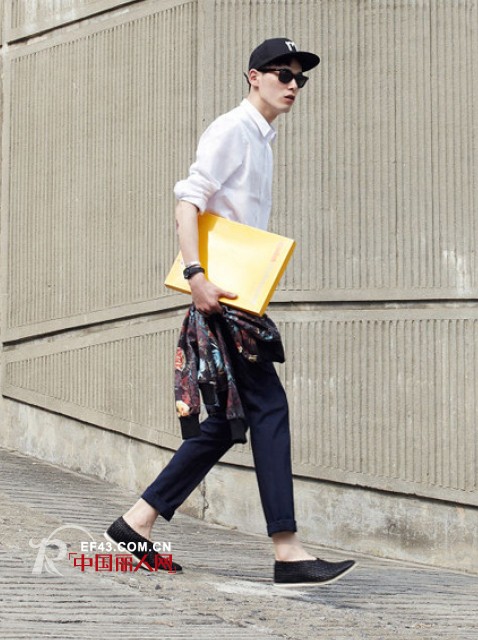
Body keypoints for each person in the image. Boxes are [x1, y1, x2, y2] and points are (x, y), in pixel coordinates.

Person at [106, 37, 356, 586]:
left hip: (239, 298)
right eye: (282, 73)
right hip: (221, 299)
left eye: (299, 77)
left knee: (223, 423)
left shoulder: (261, 140)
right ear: (253, 77)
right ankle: (287, 550)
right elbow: (187, 203)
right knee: (268, 408)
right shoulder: (232, 130)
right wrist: (196, 275)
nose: (293, 85)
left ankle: (136, 522)